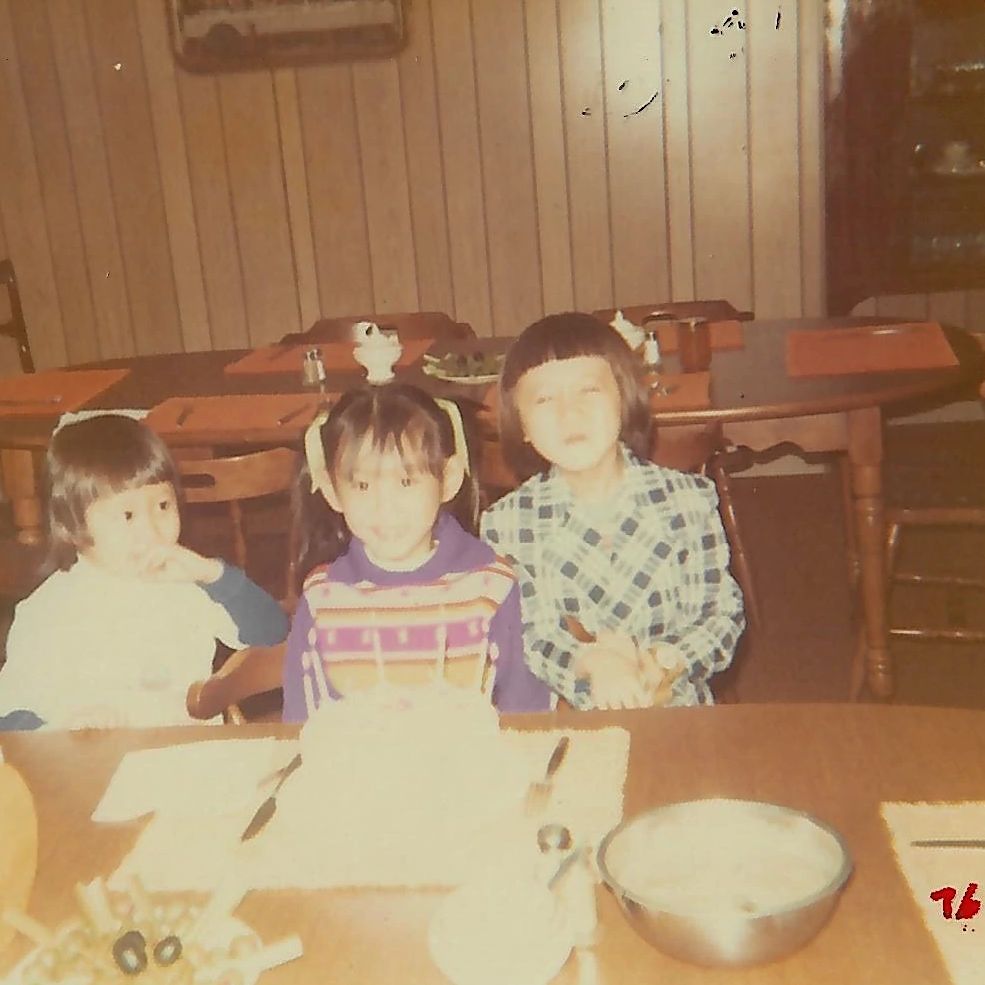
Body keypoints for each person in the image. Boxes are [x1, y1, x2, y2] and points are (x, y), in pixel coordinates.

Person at [481, 311, 745, 711]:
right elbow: (530, 635)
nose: (569, 413)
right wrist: (591, 662)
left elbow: (719, 614)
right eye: (544, 399)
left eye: (588, 391)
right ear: (523, 427)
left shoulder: (689, 500)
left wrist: (665, 661)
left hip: (678, 708)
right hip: (576, 714)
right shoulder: (508, 523)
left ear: (624, 399)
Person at [281, 383, 550, 721]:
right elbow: (302, 726)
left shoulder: (492, 586)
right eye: (362, 486)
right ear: (333, 491)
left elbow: (527, 716)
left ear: (448, 480)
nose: (384, 507)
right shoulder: (323, 598)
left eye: (406, 482)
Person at [0, 415, 289, 729]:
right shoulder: (47, 612)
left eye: (163, 506)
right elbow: (11, 717)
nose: (151, 530)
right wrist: (62, 731)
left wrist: (214, 576)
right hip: (94, 766)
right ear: (72, 525)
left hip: (193, 756)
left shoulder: (185, 584)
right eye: (127, 515)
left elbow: (274, 637)